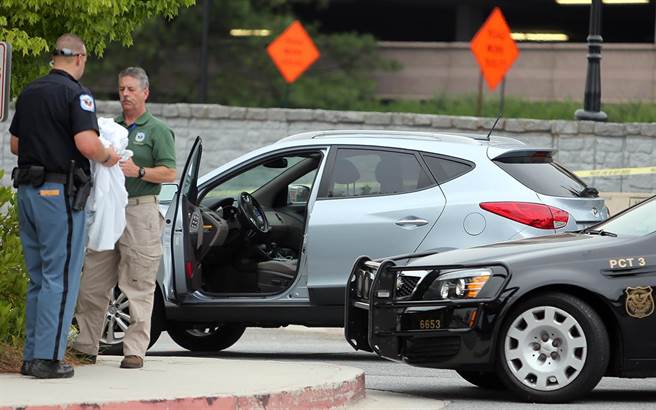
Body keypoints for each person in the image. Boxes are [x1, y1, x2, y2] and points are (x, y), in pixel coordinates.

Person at [9, 33, 120, 379]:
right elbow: (87, 143)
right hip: (58, 194)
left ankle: (31, 356)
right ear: (80, 58)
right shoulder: (77, 94)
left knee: (39, 277)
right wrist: (109, 154)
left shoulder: (29, 92)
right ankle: (48, 358)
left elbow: (15, 144)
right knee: (62, 276)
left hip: (27, 191)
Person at [72, 67, 176, 369]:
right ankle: (86, 345)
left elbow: (170, 172)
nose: (125, 94)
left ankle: (134, 350)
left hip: (140, 209)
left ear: (146, 92)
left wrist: (140, 171)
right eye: (121, 89)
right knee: (93, 279)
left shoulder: (157, 130)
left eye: (131, 89)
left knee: (138, 282)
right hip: (108, 209)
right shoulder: (109, 129)